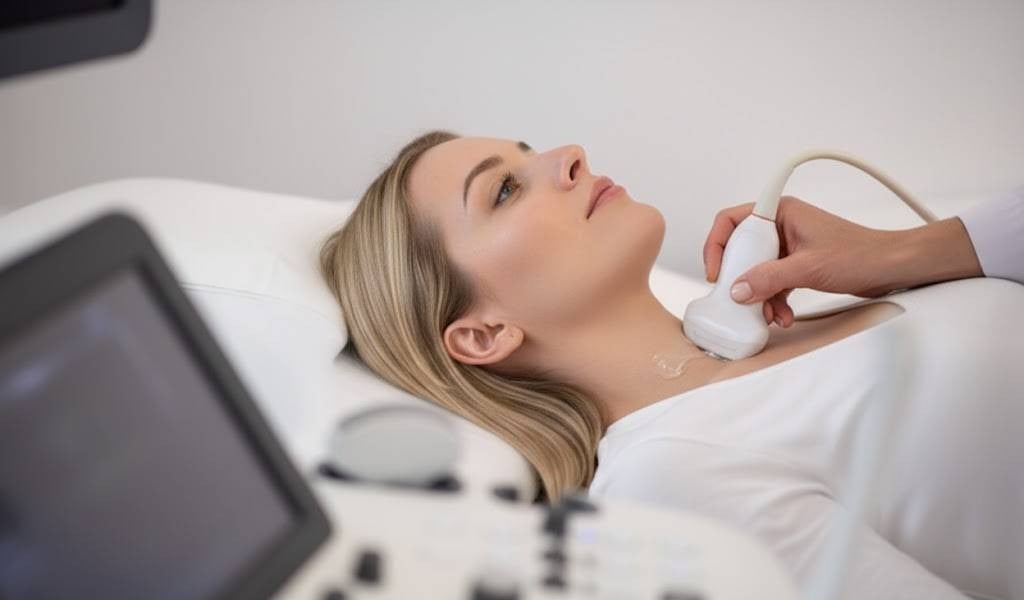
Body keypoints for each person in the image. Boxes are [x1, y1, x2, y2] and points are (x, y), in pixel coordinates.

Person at [318, 130, 1024, 599]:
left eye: (527, 153)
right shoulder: (674, 483)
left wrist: (916, 253)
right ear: (482, 335)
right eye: (503, 190)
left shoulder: (810, 307)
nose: (568, 154)